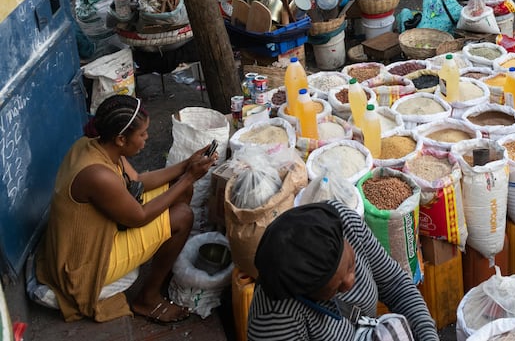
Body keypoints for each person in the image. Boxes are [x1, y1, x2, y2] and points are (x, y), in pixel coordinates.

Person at [36, 94, 216, 323]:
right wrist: (189, 177)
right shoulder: (98, 175)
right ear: (121, 139)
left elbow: (138, 180)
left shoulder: (95, 146)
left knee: (180, 191)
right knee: (182, 215)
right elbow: (139, 217)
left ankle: (163, 262)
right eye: (142, 134)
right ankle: (147, 298)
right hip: (85, 265)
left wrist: (186, 165)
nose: (146, 138)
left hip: (93, 237)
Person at [247, 202, 438, 341]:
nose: (350, 281)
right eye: (336, 288)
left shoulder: (346, 223)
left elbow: (397, 285)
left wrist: (428, 335)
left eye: (350, 265)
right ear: (305, 293)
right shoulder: (274, 322)